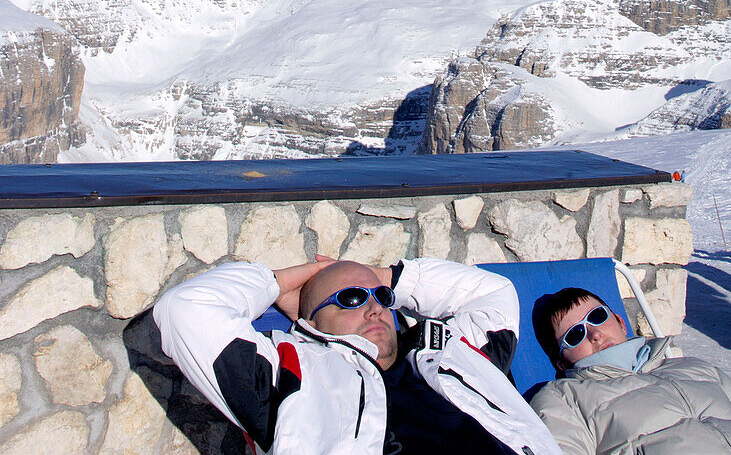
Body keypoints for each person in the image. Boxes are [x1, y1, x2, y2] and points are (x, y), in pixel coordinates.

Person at [154, 254, 563, 454]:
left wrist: (389, 278)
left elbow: (493, 292)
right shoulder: (290, 374)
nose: (373, 307)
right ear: (309, 323)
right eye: (349, 298)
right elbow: (184, 310)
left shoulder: (454, 350)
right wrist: (280, 283)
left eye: (381, 297)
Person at [529, 286, 731, 455]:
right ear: (562, 363)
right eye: (575, 334)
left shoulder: (691, 366)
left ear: (621, 323)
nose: (595, 334)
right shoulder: (564, 399)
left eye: (597, 316)